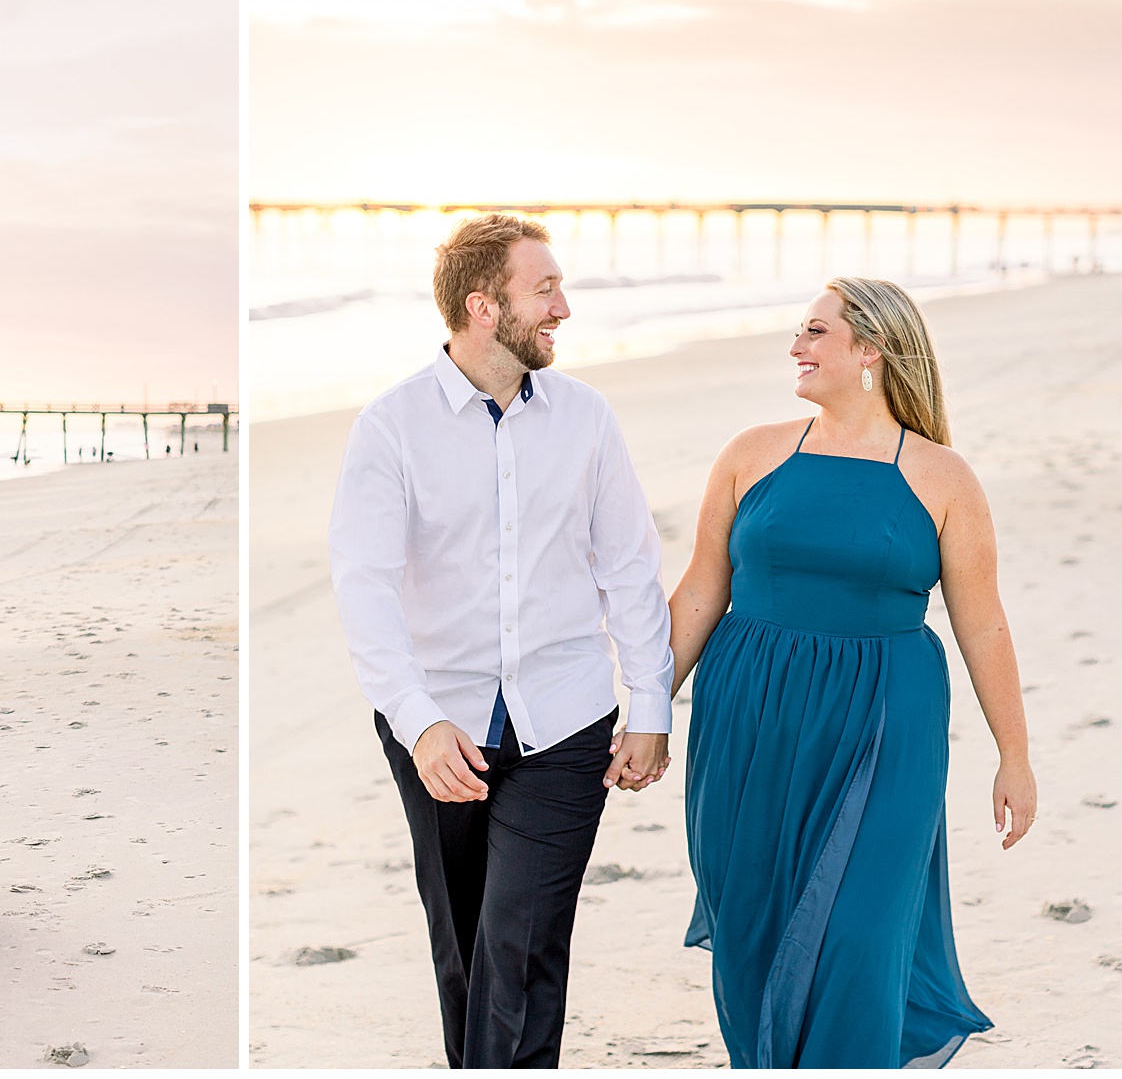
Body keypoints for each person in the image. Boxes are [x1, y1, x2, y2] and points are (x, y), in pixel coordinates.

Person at [329, 213, 673, 1069]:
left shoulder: (587, 419)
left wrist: (650, 705)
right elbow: (364, 588)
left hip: (567, 719)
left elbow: (629, 567)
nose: (565, 307)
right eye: (544, 288)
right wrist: (417, 720)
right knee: (463, 948)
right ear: (484, 306)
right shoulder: (390, 428)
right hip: (437, 726)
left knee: (522, 943)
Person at [672, 277, 1036, 1068]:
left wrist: (1015, 752)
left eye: (814, 331)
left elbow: (982, 621)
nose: (795, 345)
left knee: (861, 931)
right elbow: (702, 586)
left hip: (884, 721)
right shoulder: (752, 453)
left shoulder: (943, 477)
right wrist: (644, 712)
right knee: (755, 924)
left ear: (869, 348)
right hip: (750, 718)